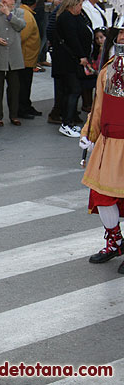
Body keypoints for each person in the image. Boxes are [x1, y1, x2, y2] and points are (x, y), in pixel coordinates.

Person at [79, 26, 124, 274]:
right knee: (103, 197)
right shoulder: (108, 68)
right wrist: (89, 133)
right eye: (120, 33)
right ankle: (115, 241)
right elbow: (99, 106)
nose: (123, 38)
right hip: (109, 141)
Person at [51, 0, 92, 138]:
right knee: (73, 90)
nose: (81, 7)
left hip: (72, 61)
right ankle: (66, 123)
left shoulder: (73, 17)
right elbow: (72, 39)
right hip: (68, 62)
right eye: (79, 4)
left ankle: (69, 121)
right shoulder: (66, 19)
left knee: (73, 90)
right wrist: (81, 56)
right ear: (72, 5)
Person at [17, 0, 42, 119]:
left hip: (27, 57)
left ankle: (26, 105)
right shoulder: (27, 15)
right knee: (24, 85)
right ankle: (22, 108)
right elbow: (22, 36)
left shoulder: (25, 13)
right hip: (25, 58)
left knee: (25, 84)